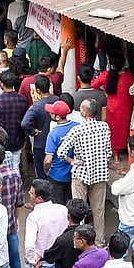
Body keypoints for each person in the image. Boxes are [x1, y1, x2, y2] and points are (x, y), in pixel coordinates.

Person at [57, 98, 111, 231]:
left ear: (85, 113)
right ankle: (99, 240)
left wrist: (71, 161)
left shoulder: (77, 130)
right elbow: (108, 152)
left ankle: (81, 237)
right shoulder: (104, 127)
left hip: (81, 174)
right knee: (99, 210)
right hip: (100, 175)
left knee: (78, 211)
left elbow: (61, 152)